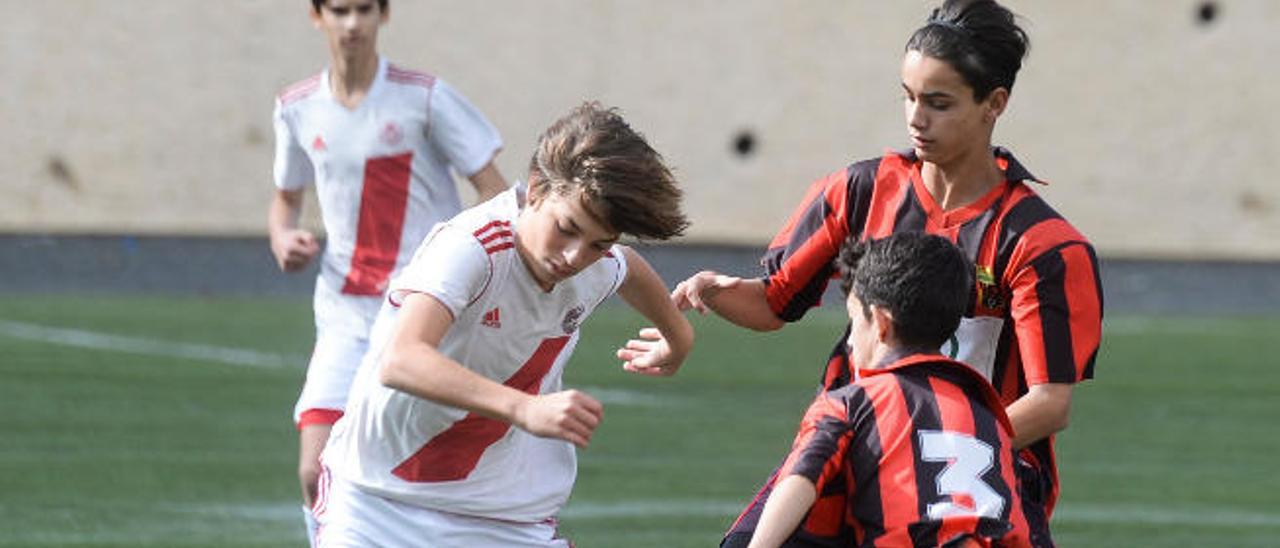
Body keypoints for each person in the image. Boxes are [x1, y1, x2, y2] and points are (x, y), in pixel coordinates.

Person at [671, 1, 1102, 546]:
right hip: (855, 444)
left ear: (995, 104)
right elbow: (773, 304)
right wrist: (713, 292)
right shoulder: (860, 191)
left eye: (939, 103)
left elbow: (1049, 403)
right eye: (908, 96)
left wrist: (929, 437)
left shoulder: (1042, 244)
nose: (916, 118)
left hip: (981, 461)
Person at [313, 102, 693, 547]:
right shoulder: (473, 247)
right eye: (567, 228)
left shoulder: (595, 264)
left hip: (505, 516)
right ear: (535, 189)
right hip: (378, 503)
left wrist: (678, 338)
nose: (576, 257)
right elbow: (402, 359)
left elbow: (626, 267)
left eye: (597, 243)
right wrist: (525, 408)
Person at [267, 0, 508, 541]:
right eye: (339, 10)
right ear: (317, 17)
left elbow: (494, 190)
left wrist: (475, 268)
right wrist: (284, 238)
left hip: (423, 312)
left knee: (422, 478)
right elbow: (285, 199)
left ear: (383, 16)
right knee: (314, 470)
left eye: (363, 10)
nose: (352, 23)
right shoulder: (297, 108)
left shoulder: (423, 97)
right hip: (345, 311)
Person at [747, 232, 1030, 548]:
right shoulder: (988, 413)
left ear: (880, 323)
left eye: (855, 322)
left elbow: (800, 478)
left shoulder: (853, 401)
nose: (851, 341)